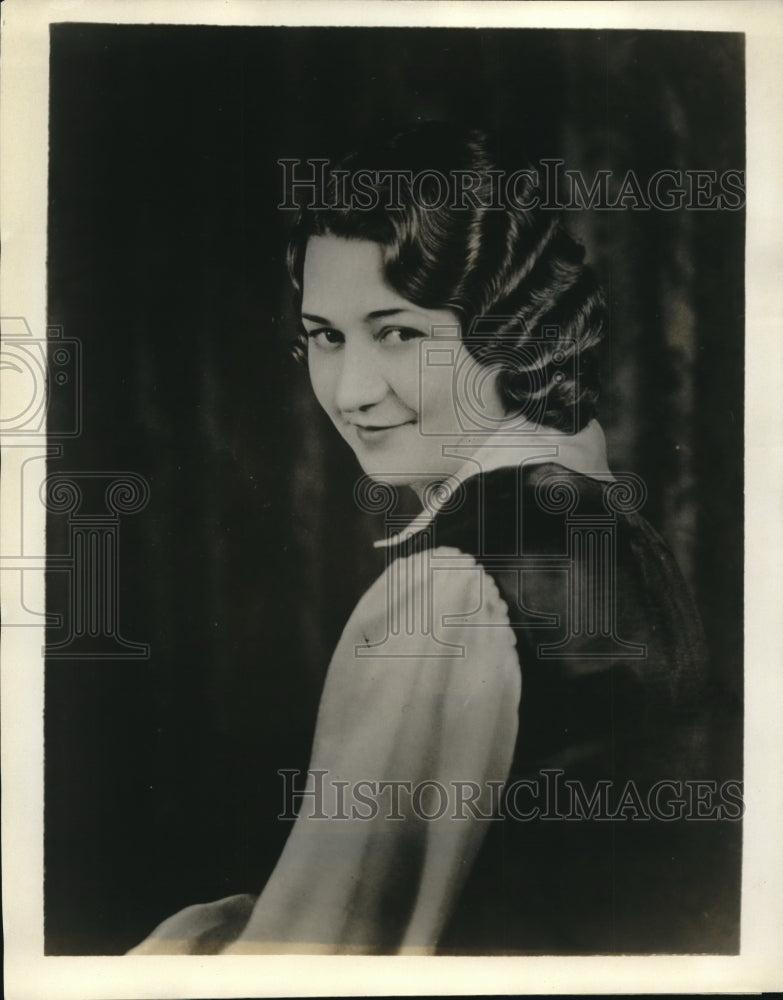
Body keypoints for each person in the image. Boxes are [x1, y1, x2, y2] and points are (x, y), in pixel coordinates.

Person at [129, 122, 717, 956]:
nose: (350, 391)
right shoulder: (600, 518)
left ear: (509, 335)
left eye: (399, 332)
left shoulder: (448, 587)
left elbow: (321, 953)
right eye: (324, 336)